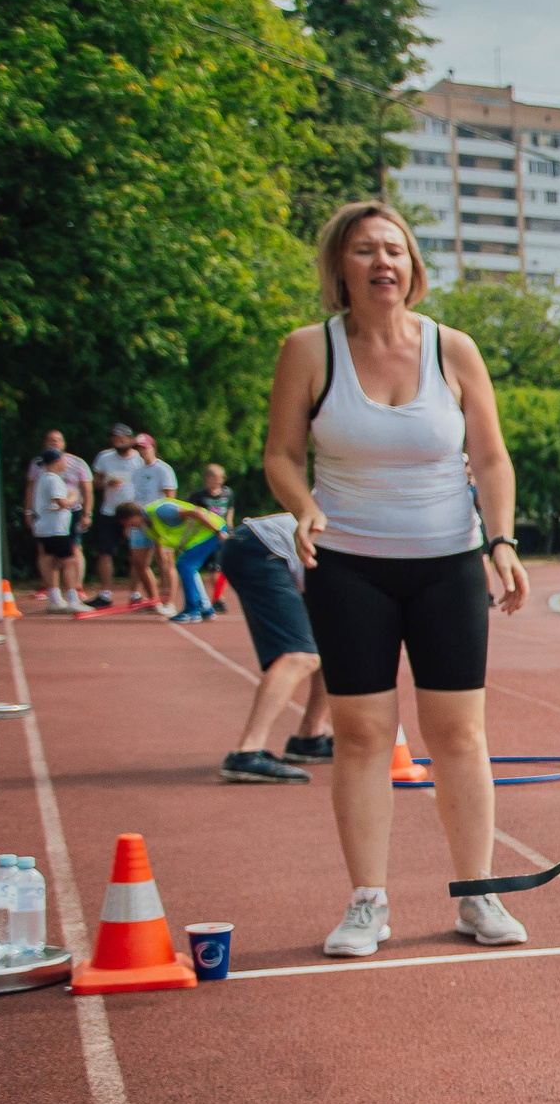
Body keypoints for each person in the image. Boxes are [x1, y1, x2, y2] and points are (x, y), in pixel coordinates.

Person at [262, 198, 533, 961]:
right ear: (337, 268)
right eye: (363, 250)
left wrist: (501, 540)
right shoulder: (309, 350)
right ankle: (366, 902)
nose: (382, 261)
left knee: (460, 733)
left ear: (412, 267)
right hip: (348, 566)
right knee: (362, 734)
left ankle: (475, 893)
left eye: (394, 249)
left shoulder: (454, 348)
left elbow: (491, 458)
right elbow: (280, 453)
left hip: (447, 563)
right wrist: (303, 506)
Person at [215, 512, 333, 783]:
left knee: (336, 647)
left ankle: (309, 739)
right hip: (261, 547)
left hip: (263, 545)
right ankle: (246, 753)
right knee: (300, 657)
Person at [116, 499, 224, 624]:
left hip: (210, 531)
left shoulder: (161, 511)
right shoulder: (148, 526)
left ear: (133, 516)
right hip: (199, 536)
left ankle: (193, 611)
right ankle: (206, 609)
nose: (129, 527)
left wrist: (218, 531)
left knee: (186, 566)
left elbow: (197, 512)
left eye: (127, 522)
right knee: (187, 568)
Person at [27, 435, 91, 612]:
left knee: (53, 561)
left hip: (49, 526)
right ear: (56, 461)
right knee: (69, 561)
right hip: (55, 528)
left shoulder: (45, 478)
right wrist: (73, 496)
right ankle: (71, 598)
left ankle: (55, 598)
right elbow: (62, 502)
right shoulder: (53, 479)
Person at [87, 424, 142, 608]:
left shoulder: (139, 460)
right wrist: (106, 482)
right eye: (114, 438)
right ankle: (105, 593)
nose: (117, 441)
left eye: (121, 438)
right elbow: (95, 483)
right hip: (109, 511)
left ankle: (136, 593)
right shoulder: (104, 457)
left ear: (131, 439)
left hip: (133, 513)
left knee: (136, 554)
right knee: (105, 552)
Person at [133, 435, 181, 614]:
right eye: (139, 448)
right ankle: (153, 600)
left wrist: (162, 519)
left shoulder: (163, 469)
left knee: (165, 562)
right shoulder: (137, 471)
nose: (142, 451)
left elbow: (170, 497)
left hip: (159, 520)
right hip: (140, 520)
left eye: (145, 447)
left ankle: (169, 601)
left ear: (153, 447)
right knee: (139, 562)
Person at [185, 464, 236, 616]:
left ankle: (218, 597)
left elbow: (230, 508)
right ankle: (211, 598)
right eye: (213, 478)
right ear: (206, 479)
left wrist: (229, 522)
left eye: (220, 478)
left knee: (219, 566)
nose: (217, 482)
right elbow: (192, 512)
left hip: (222, 532)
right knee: (208, 567)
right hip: (205, 534)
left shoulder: (227, 493)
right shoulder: (198, 496)